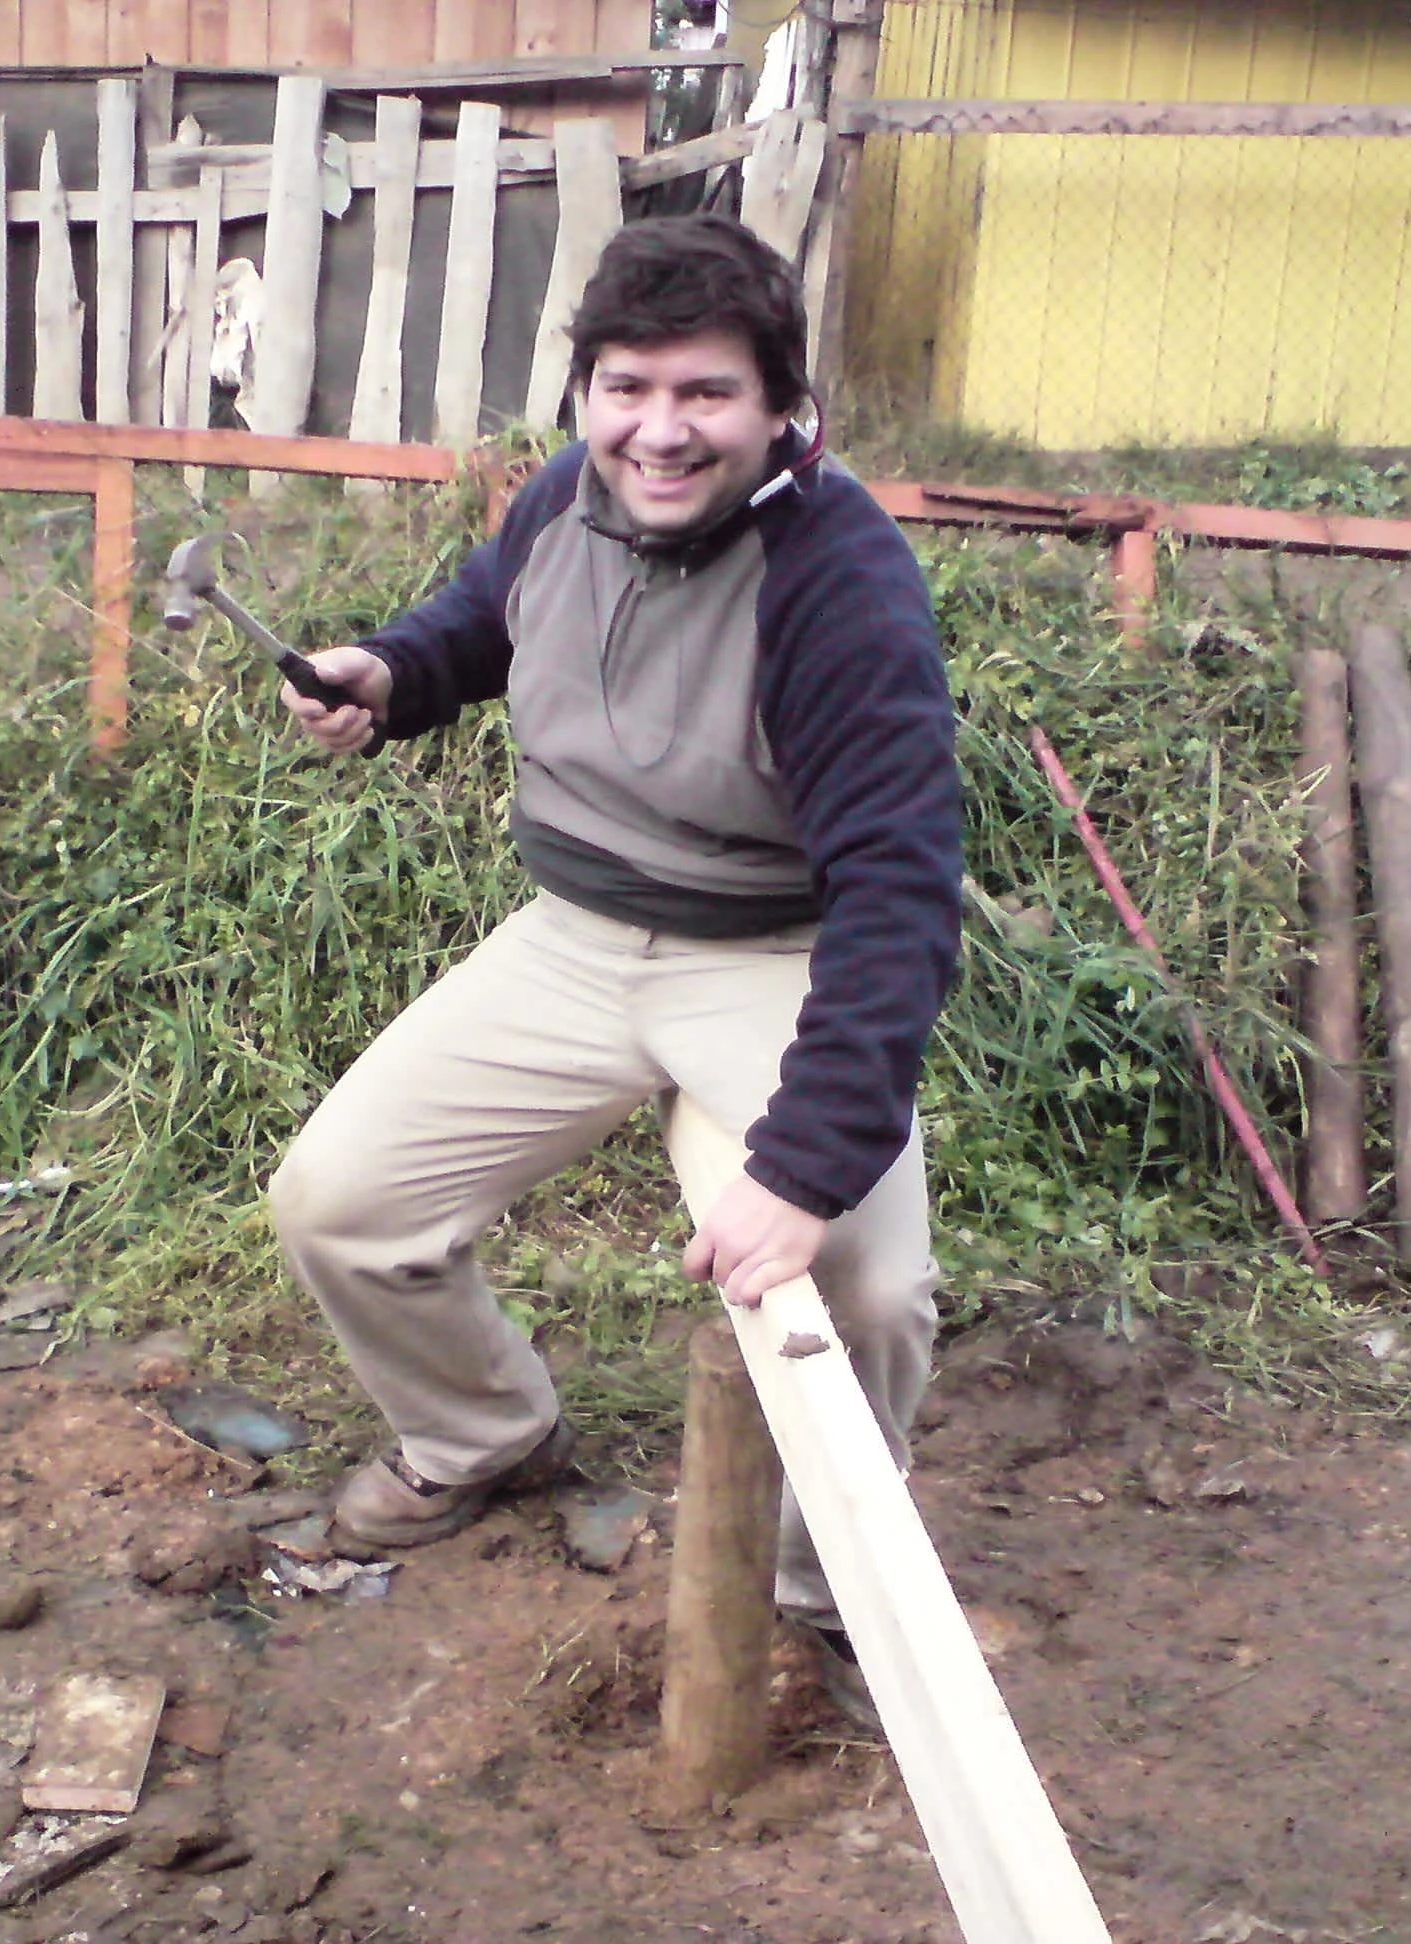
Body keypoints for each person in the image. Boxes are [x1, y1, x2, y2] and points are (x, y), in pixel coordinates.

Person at [266, 213, 963, 1715]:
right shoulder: (565, 501)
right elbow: (484, 619)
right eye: (627, 387)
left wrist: (802, 1166)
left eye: (705, 393)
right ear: (584, 390)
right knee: (338, 1205)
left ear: (782, 403)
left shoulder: (842, 587)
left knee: (868, 1286)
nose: (660, 429)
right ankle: (484, 1437)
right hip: (575, 942)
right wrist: (391, 677)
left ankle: (818, 1586)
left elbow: (899, 902)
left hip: (771, 954)